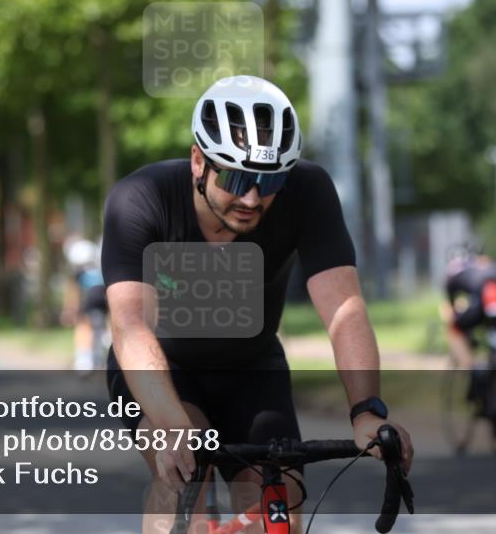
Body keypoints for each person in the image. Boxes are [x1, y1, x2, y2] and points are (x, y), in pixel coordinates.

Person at [102, 75, 413, 534]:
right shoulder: (141, 200)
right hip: (162, 372)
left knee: (279, 496)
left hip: (253, 369)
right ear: (198, 162)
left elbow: (344, 307)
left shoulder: (308, 191)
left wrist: (366, 410)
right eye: (235, 176)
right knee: (184, 481)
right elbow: (130, 326)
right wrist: (167, 423)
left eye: (268, 180)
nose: (251, 197)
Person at [440, 243, 496, 370]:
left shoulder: (453, 271)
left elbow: (451, 306)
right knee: (495, 346)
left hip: (485, 298)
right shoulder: (484, 263)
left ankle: (470, 368)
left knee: (455, 329)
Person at [61, 237, 109, 372]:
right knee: (100, 328)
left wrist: (69, 309)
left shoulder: (78, 273)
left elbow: (74, 292)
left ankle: (84, 358)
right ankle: (99, 354)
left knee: (83, 327)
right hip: (102, 301)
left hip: (88, 303)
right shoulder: (100, 270)